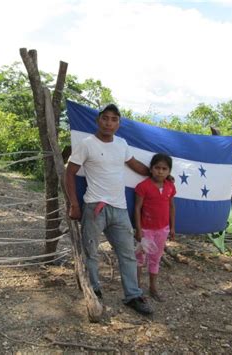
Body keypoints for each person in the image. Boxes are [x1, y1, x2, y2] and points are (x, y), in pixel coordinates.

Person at [65, 103, 153, 316]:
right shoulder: (87, 144)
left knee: (127, 254)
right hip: (94, 207)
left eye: (114, 119)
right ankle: (94, 291)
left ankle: (133, 295)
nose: (109, 123)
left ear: (118, 124)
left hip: (120, 209)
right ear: (98, 120)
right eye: (105, 118)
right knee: (92, 253)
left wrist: (157, 174)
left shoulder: (121, 144)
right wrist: (74, 204)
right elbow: (69, 172)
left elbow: (134, 165)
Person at [134, 153, 176, 302]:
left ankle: (153, 288)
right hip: (146, 230)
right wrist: (138, 230)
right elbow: (137, 208)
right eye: (157, 168)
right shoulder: (143, 186)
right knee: (139, 259)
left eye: (164, 169)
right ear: (151, 169)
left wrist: (172, 227)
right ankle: (136, 290)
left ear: (169, 171)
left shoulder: (170, 186)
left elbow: (171, 206)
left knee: (155, 259)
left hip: (162, 230)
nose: (160, 171)